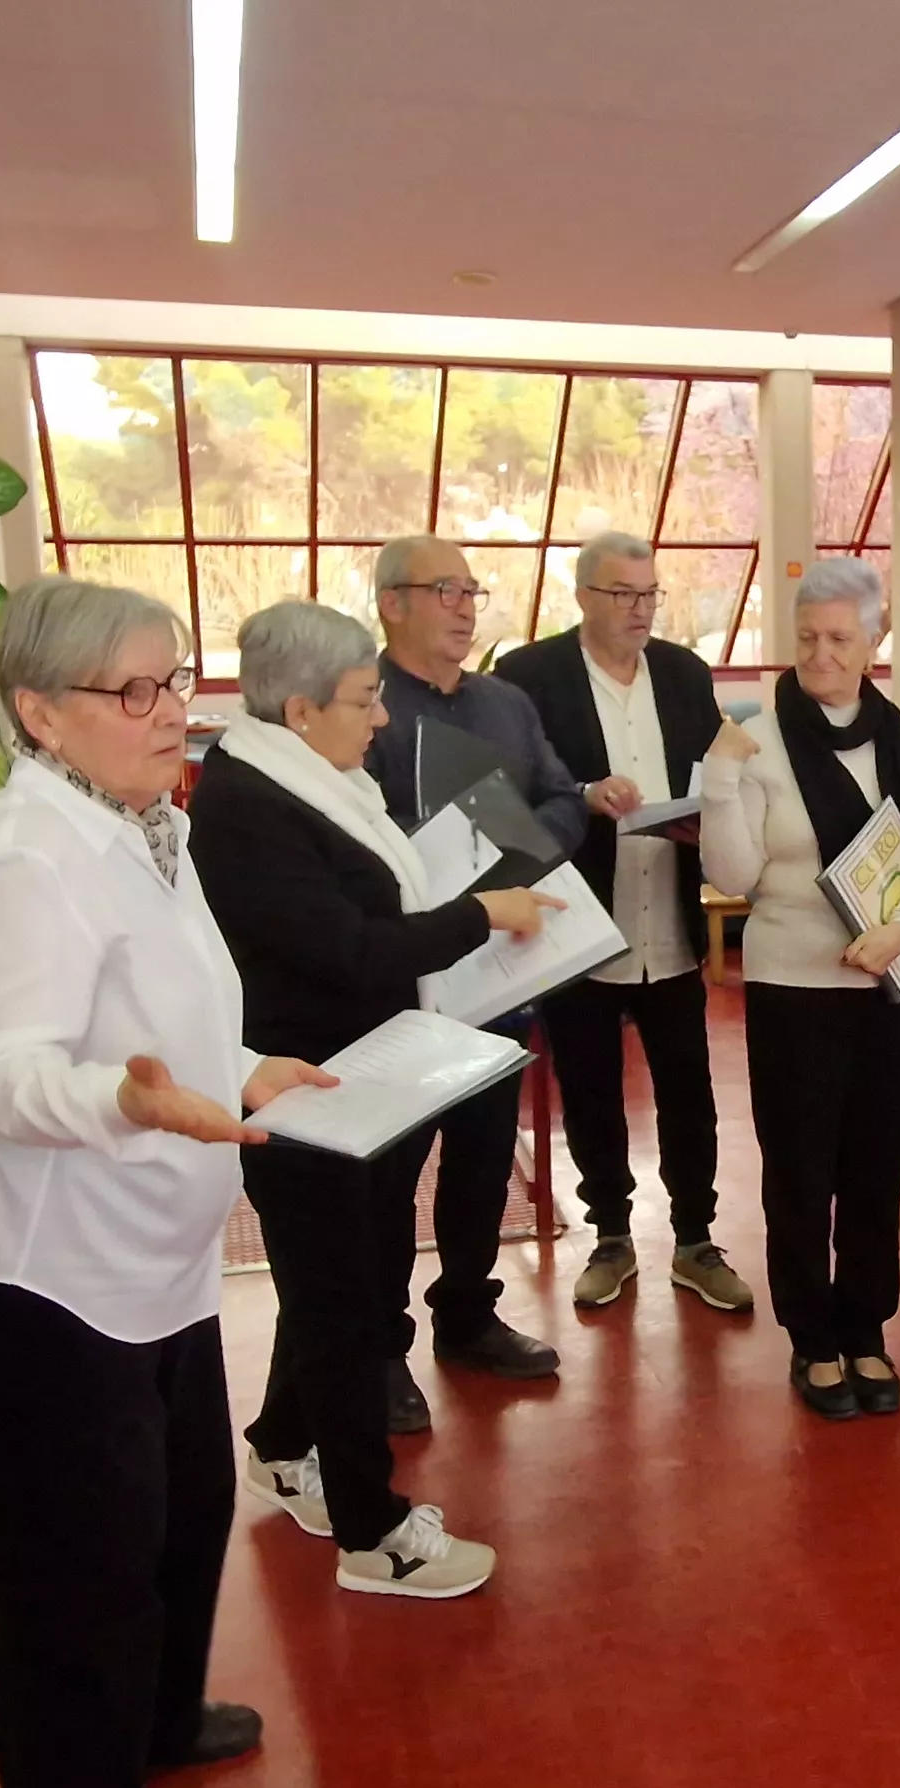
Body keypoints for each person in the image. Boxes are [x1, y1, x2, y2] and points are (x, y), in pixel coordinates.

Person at [0, 579, 330, 1788]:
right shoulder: (29, 857)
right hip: (39, 1269)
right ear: (38, 710)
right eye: (132, 690)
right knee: (73, 1573)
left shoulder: (134, 815)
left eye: (176, 679)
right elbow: (8, 1074)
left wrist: (240, 1074)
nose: (169, 709)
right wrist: (132, 1105)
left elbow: (166, 1009)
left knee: (180, 1515)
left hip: (147, 1252)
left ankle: (156, 1724)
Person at [195, 598, 556, 1600]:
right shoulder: (248, 805)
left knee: (332, 1287)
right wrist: (480, 914)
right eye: (364, 700)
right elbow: (348, 948)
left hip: (366, 1076)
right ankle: (372, 1530)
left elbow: (365, 908)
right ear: (301, 708)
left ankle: (279, 1444)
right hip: (309, 1089)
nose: (382, 718)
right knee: (343, 1301)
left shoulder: (310, 776)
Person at [699, 557, 900, 1420]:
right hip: (791, 986)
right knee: (801, 1170)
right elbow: (734, 874)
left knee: (875, 1166)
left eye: (840, 638)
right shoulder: (759, 739)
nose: (820, 654)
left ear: (874, 641)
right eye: (807, 637)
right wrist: (720, 778)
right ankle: (812, 1338)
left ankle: (866, 1328)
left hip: (890, 983)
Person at [492, 533, 751, 1316]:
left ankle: (698, 1238)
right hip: (578, 916)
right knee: (591, 1086)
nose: (639, 609)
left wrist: (713, 817)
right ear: (583, 597)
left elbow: (716, 769)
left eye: (649, 594)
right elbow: (507, 793)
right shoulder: (529, 677)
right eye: (622, 594)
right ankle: (609, 1235)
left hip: (667, 909)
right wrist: (581, 791)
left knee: (689, 1089)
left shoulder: (682, 672)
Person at [364, 535, 582, 1403]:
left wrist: (531, 854)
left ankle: (468, 1313)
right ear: (392, 604)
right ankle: (381, 1347)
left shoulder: (506, 703)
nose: (465, 606)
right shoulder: (360, 704)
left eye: (471, 590)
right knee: (391, 1164)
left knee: (486, 1152)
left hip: (504, 959)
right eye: (444, 590)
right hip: (402, 973)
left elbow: (563, 796)